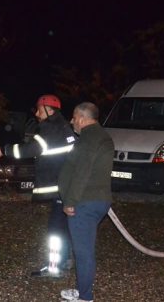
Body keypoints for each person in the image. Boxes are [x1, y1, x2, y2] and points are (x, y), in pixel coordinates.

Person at [0, 94, 76, 278]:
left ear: (50, 110)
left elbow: (30, 150)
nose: (37, 113)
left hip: (59, 187)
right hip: (65, 187)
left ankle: (54, 267)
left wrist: (3, 150)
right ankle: (66, 260)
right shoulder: (64, 127)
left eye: (39, 109)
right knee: (64, 227)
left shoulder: (50, 129)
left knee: (55, 230)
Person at [58, 102, 114, 302]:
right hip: (94, 201)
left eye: (74, 117)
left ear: (82, 117)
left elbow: (82, 171)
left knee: (83, 251)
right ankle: (83, 291)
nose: (72, 121)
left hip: (84, 202)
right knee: (84, 249)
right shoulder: (99, 136)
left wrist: (70, 201)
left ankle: (85, 297)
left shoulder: (90, 138)